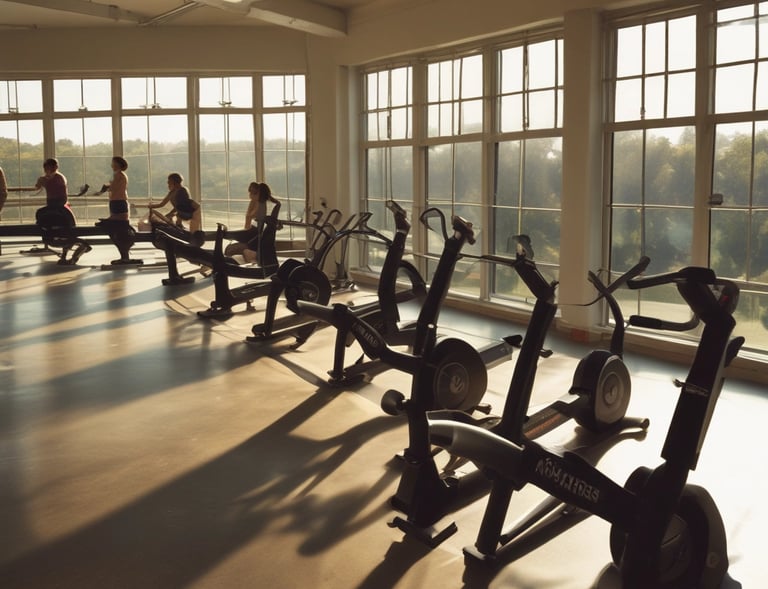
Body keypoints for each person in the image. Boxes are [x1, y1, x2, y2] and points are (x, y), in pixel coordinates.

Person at [224, 182, 281, 261]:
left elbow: (265, 227)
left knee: (230, 249)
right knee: (229, 247)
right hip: (253, 233)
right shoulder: (257, 203)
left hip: (258, 236)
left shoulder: (269, 205)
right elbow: (248, 221)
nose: (250, 196)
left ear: (259, 193)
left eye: (253, 194)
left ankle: (248, 255)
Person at [101, 156, 130, 221]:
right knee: (120, 220)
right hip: (118, 200)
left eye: (113, 163)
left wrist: (106, 187)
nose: (111, 165)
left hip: (117, 201)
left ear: (117, 164)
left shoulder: (118, 175)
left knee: (117, 221)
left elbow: (113, 187)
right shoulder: (121, 175)